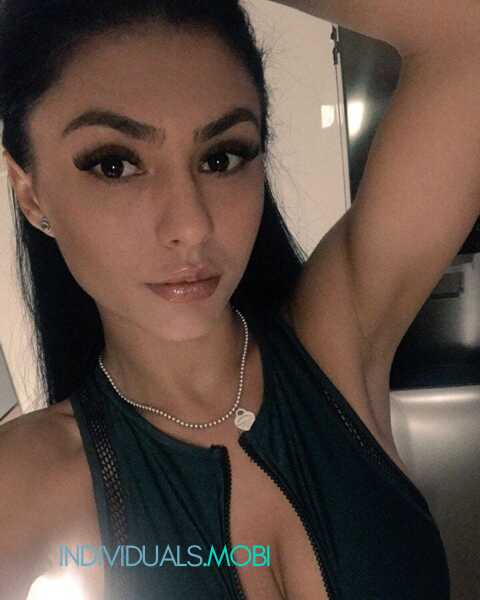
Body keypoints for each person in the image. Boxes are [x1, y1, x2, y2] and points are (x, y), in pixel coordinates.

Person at [1, 0, 476, 598]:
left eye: (220, 157)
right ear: (32, 195)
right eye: (115, 165)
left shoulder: (336, 341)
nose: (191, 225)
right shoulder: (27, 475)